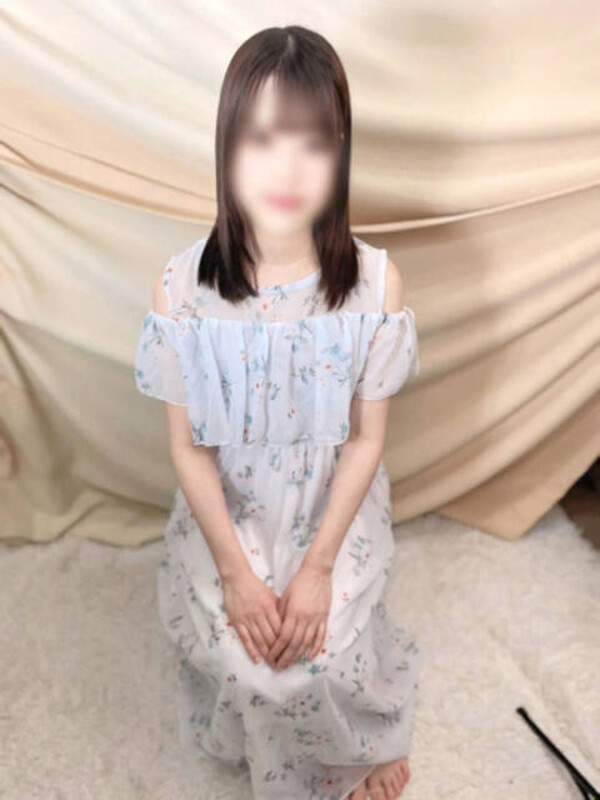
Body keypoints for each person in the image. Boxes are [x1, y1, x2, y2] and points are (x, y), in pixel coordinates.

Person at [135, 25, 421, 800]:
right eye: (263, 140)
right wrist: (236, 573)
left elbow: (364, 442)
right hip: (231, 509)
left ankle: (364, 744)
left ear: (341, 152)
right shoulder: (181, 289)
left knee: (320, 658)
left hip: (331, 505)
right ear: (228, 146)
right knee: (253, 663)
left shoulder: (376, 285)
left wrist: (319, 568)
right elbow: (188, 450)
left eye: (313, 144)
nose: (287, 169)